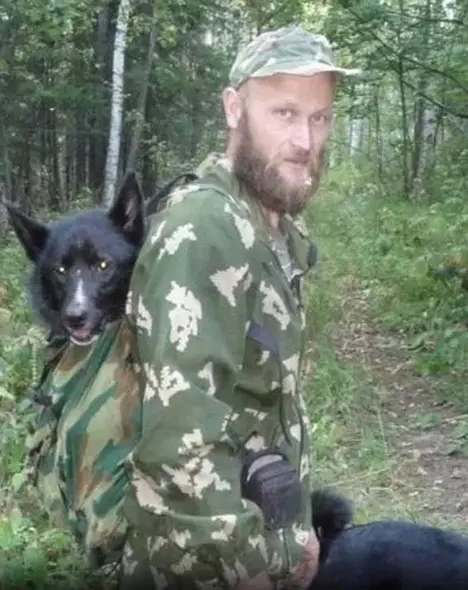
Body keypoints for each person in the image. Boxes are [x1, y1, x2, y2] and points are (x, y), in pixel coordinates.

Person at [116, 24, 359, 590]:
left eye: (319, 117)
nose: (305, 139)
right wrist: (247, 567)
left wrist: (293, 535)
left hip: (262, 536)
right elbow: (180, 442)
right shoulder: (205, 231)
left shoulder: (271, 228)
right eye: (283, 114)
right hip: (202, 565)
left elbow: (261, 404)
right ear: (234, 109)